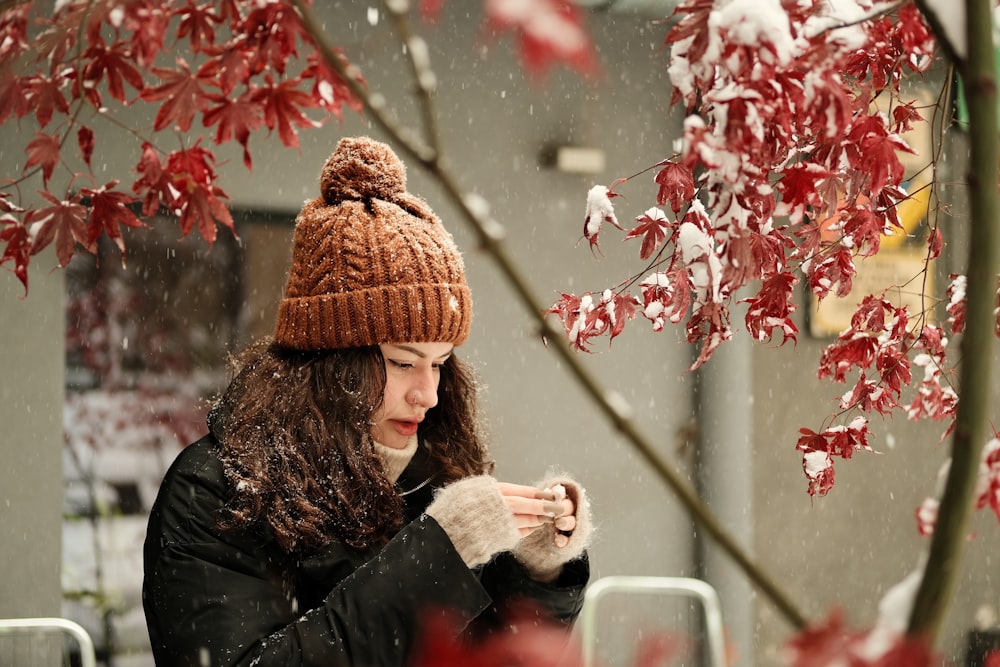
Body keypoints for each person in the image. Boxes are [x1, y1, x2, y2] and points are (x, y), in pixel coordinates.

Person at [142, 136, 592, 666]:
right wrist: (434, 557)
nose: (428, 394)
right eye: (403, 363)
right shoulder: (218, 491)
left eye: (440, 364)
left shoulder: (430, 479)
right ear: (333, 363)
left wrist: (535, 571)